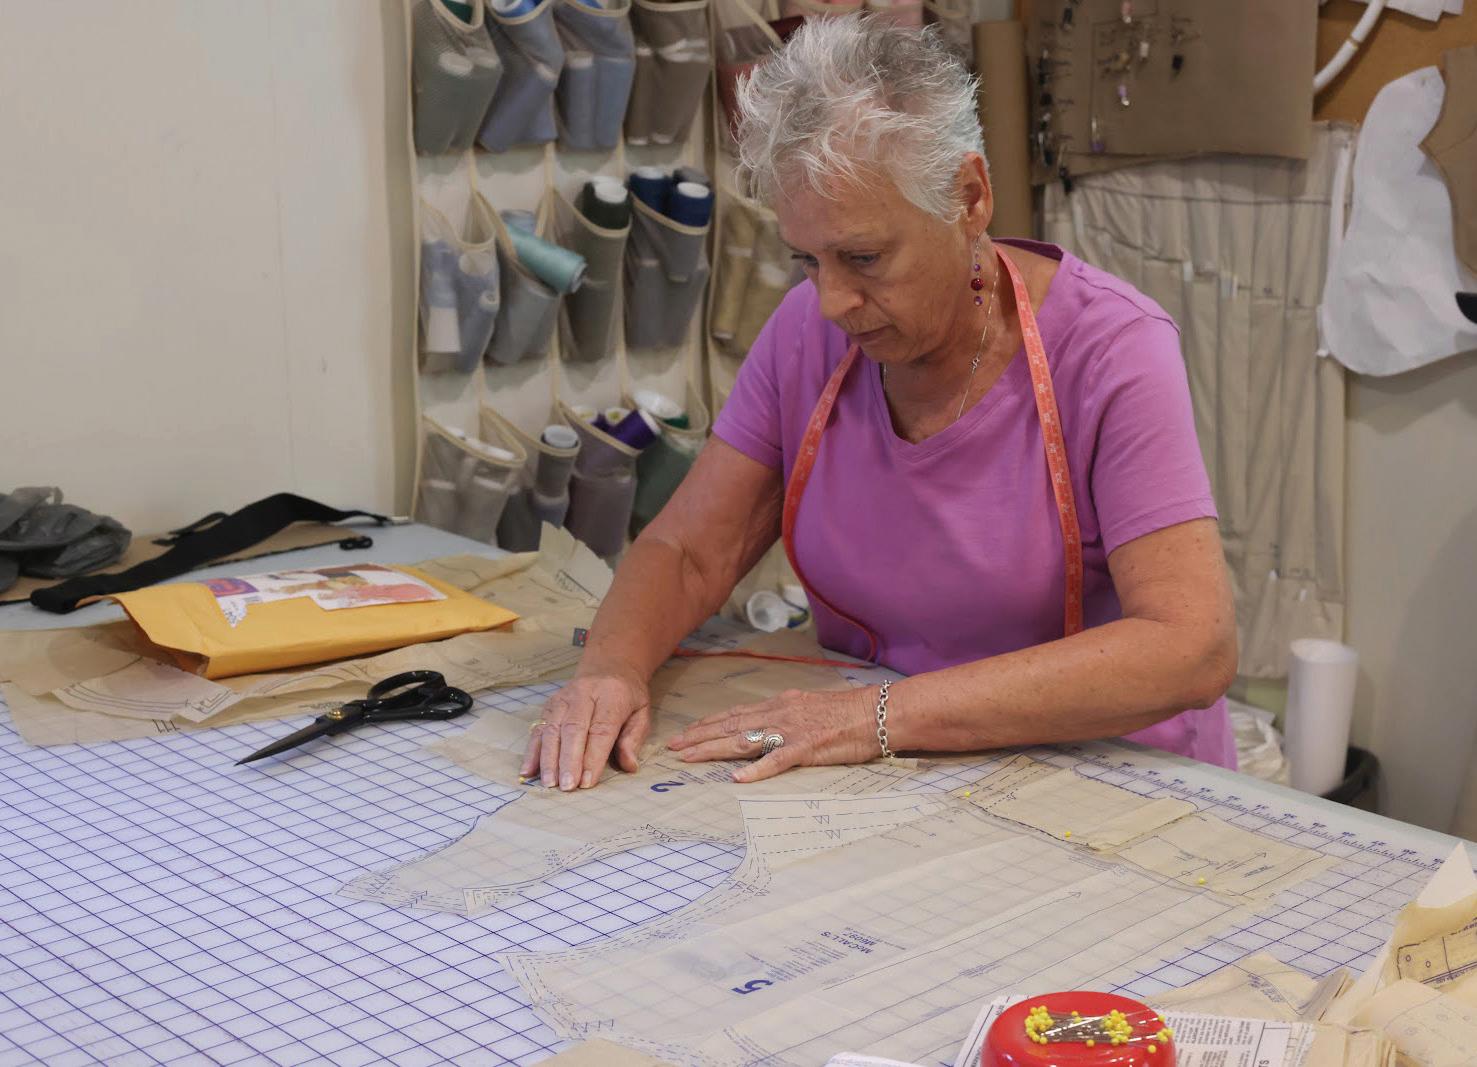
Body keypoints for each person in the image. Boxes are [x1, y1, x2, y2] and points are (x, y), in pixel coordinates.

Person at [523, 15, 1237, 792]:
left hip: (1115, 776)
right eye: (806, 259)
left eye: (862, 257)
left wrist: (875, 717)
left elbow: (1190, 647)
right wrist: (611, 668)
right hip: (910, 764)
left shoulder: (1111, 350)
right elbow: (689, 550)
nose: (831, 300)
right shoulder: (806, 331)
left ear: (968, 198)